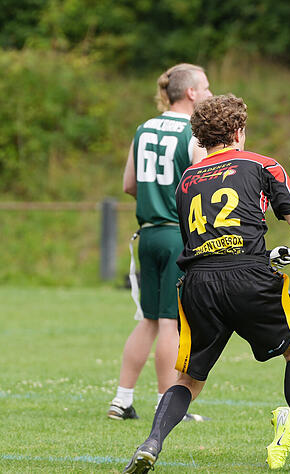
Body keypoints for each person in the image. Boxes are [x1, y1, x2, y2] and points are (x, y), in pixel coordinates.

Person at [122, 94, 290, 473]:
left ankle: (151, 442)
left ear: (200, 139)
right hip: (248, 277)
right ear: (238, 131)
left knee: (189, 377)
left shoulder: (186, 180)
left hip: (197, 283)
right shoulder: (264, 165)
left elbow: (202, 239)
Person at [108, 63, 211, 422]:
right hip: (175, 234)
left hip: (148, 232)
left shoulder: (144, 128)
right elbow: (201, 183)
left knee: (148, 319)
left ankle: (121, 399)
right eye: (207, 89)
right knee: (171, 322)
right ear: (192, 93)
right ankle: (168, 405)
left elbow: (129, 185)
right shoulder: (193, 132)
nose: (210, 95)